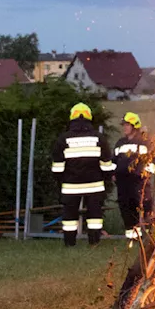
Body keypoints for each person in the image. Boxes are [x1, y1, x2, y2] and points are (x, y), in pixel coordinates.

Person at [51, 103, 115, 247]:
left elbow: (57, 168)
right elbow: (106, 165)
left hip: (70, 186)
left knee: (69, 218)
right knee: (94, 217)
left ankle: (69, 243)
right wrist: (105, 179)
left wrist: (61, 182)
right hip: (95, 185)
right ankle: (94, 243)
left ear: (72, 118)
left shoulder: (63, 139)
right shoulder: (99, 138)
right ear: (89, 118)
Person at [113, 111, 155, 242]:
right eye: (124, 125)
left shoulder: (145, 143)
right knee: (126, 209)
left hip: (139, 183)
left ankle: (148, 237)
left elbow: (154, 162)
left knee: (144, 207)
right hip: (122, 183)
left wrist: (144, 174)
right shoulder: (120, 143)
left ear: (134, 126)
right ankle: (132, 238)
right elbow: (114, 161)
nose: (125, 127)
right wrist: (113, 174)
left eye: (127, 125)